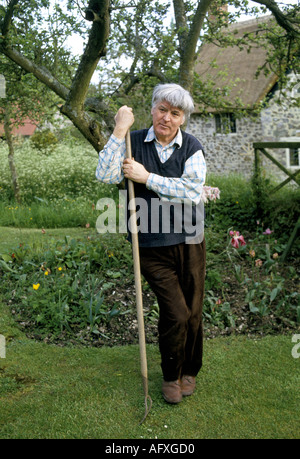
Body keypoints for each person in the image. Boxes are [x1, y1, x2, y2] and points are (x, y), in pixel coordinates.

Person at [95, 83, 206, 404]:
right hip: (149, 243)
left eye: (175, 113)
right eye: (162, 109)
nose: (166, 118)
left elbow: (191, 191)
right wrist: (119, 129)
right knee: (176, 312)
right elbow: (104, 175)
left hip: (189, 240)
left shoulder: (193, 148)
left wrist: (146, 178)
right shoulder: (131, 142)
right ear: (153, 108)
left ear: (182, 118)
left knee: (194, 312)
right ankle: (171, 375)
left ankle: (190, 371)